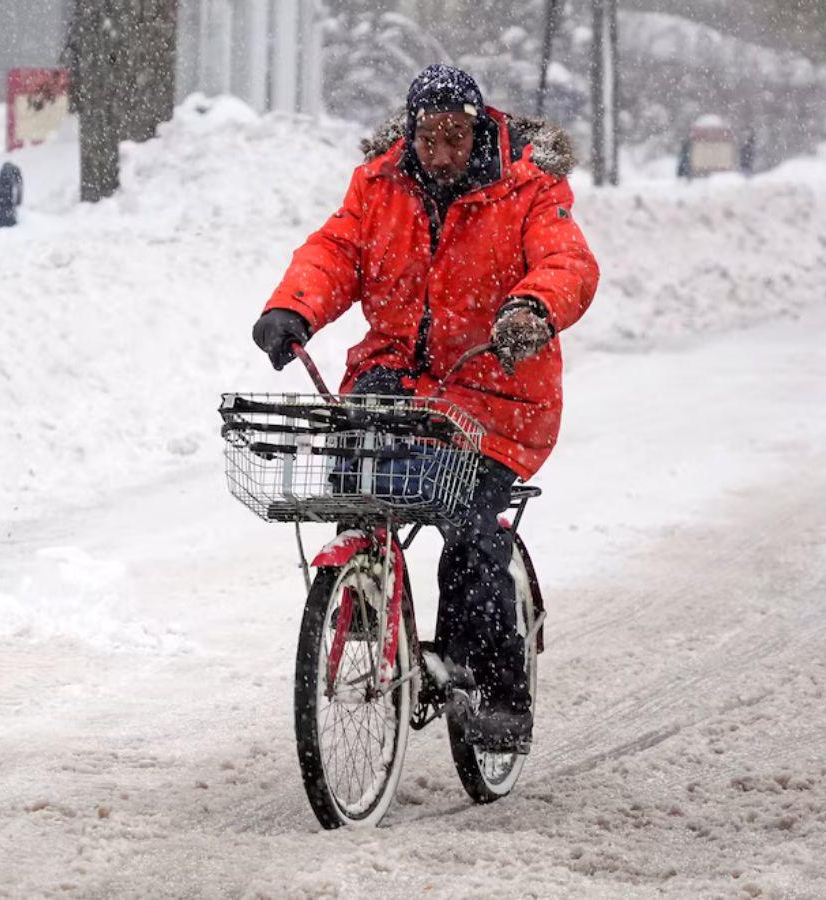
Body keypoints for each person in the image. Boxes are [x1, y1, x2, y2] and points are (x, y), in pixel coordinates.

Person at [251, 64, 599, 750]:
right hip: (400, 380)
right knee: (355, 475)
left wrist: (530, 309)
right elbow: (335, 252)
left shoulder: (529, 187)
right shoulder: (379, 183)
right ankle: (366, 582)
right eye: (429, 139)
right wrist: (293, 308)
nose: (442, 154)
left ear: (478, 133)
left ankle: (495, 688)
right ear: (410, 134)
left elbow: (567, 261)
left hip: (495, 391)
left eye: (456, 138)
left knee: (470, 536)